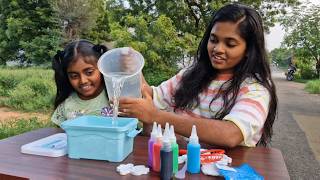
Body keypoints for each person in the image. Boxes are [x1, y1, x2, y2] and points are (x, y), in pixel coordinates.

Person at [119, 3, 278, 147]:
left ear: (249, 50)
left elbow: (231, 134)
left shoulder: (255, 89)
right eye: (214, 40)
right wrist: (134, 70)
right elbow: (151, 97)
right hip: (179, 164)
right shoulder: (191, 74)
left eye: (230, 44)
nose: (218, 49)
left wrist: (156, 116)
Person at [51, 39, 110, 126]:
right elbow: (61, 135)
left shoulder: (115, 97)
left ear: (101, 69)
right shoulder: (66, 105)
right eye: (74, 76)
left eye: (89, 72)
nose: (83, 81)